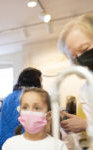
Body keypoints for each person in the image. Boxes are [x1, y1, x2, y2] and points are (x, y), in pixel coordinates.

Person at [58, 13, 93, 149]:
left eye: (84, 49)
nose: (81, 58)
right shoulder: (87, 89)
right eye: (75, 57)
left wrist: (85, 124)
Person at [2, 87, 68, 150]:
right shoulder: (10, 145)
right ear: (20, 111)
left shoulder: (58, 146)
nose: (29, 112)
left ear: (49, 115)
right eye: (25, 107)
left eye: (37, 108)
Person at [0, 67, 42, 150]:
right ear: (36, 83)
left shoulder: (7, 98)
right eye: (41, 82)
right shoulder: (36, 99)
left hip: (2, 145)